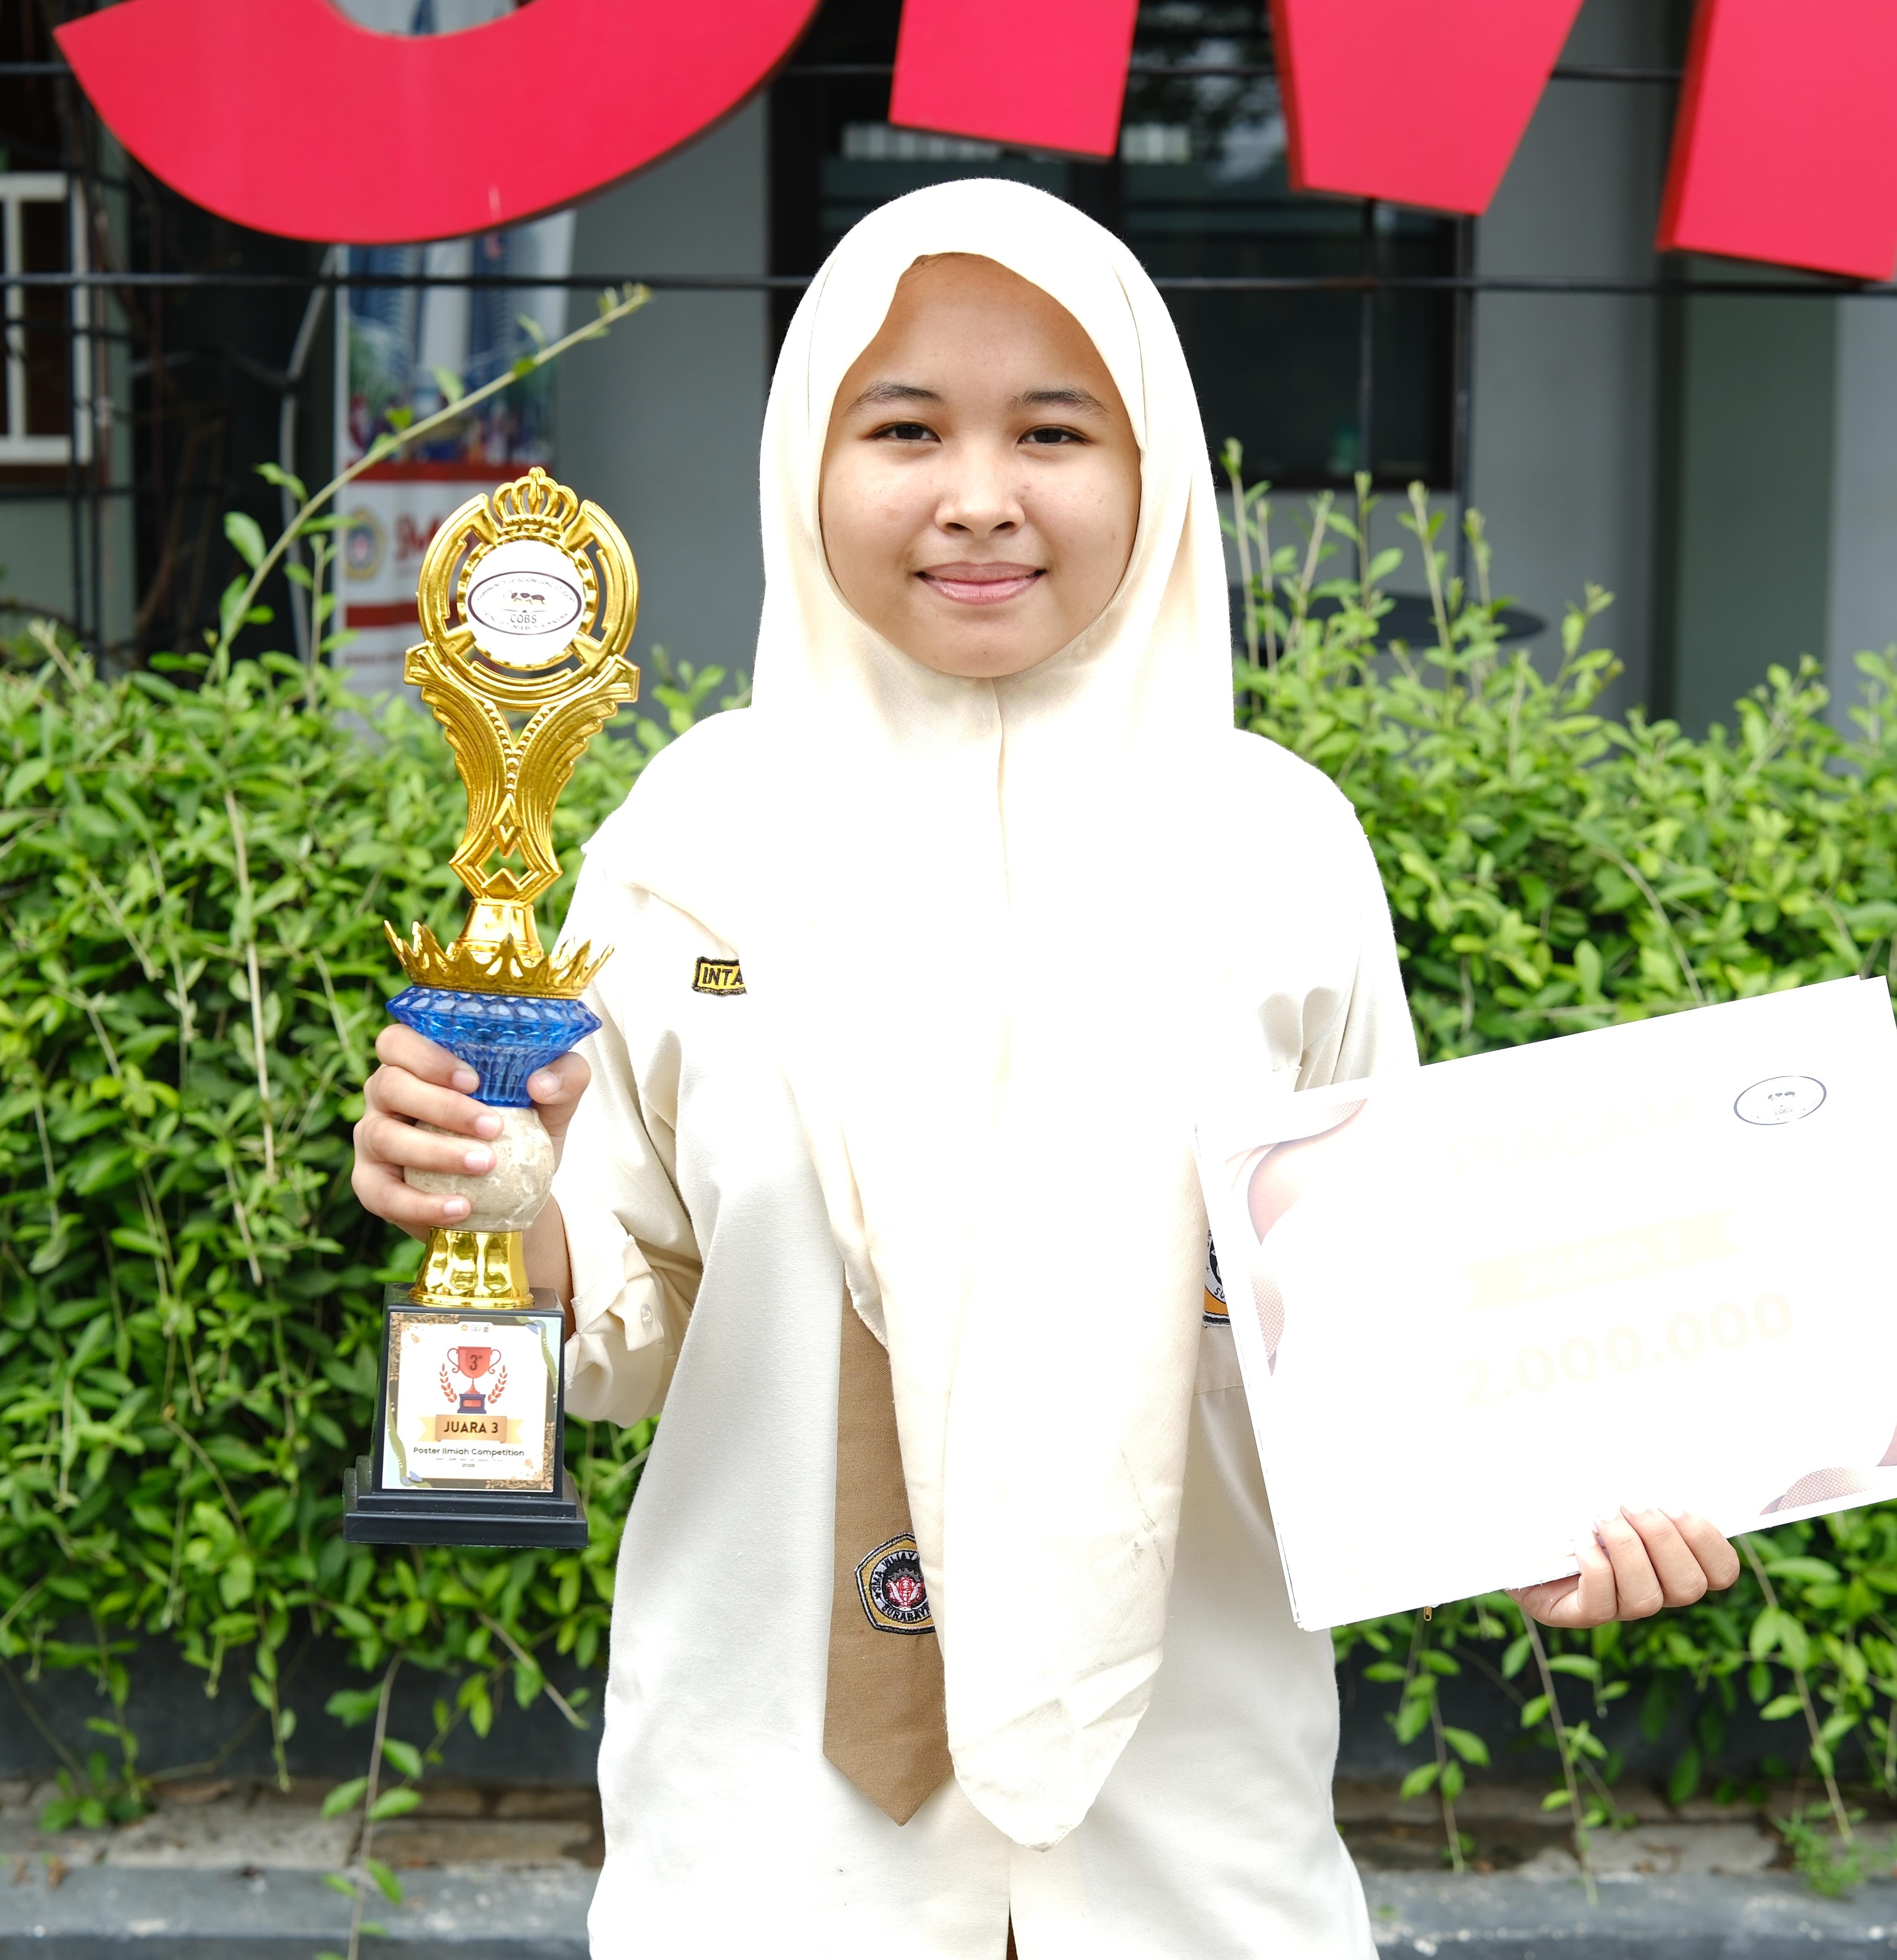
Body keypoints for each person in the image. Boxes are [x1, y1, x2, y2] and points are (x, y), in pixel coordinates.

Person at [349, 178, 1741, 1957]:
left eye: (1055, 431)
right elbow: (633, 1323)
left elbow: (1369, 1326)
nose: (979, 495)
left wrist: (1530, 1511)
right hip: (768, 1857)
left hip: (1188, 1856)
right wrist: (498, 1204)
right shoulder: (696, 840)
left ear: (1155, 468)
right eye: (905, 428)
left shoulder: (1276, 853)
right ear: (806, 456)